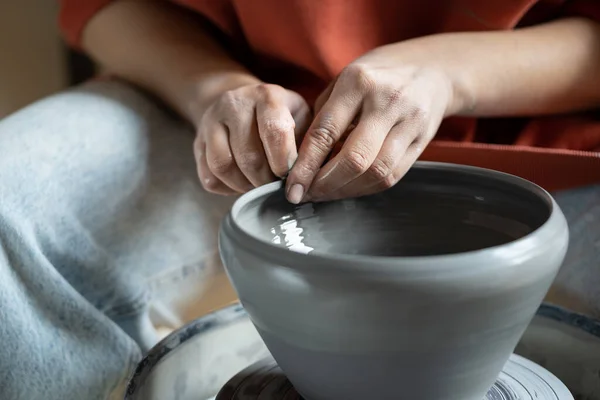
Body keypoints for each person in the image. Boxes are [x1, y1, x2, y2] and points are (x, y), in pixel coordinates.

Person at [0, 0, 599, 398]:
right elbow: (106, 7)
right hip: (243, 125)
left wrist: (450, 73)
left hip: (545, 135)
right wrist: (217, 89)